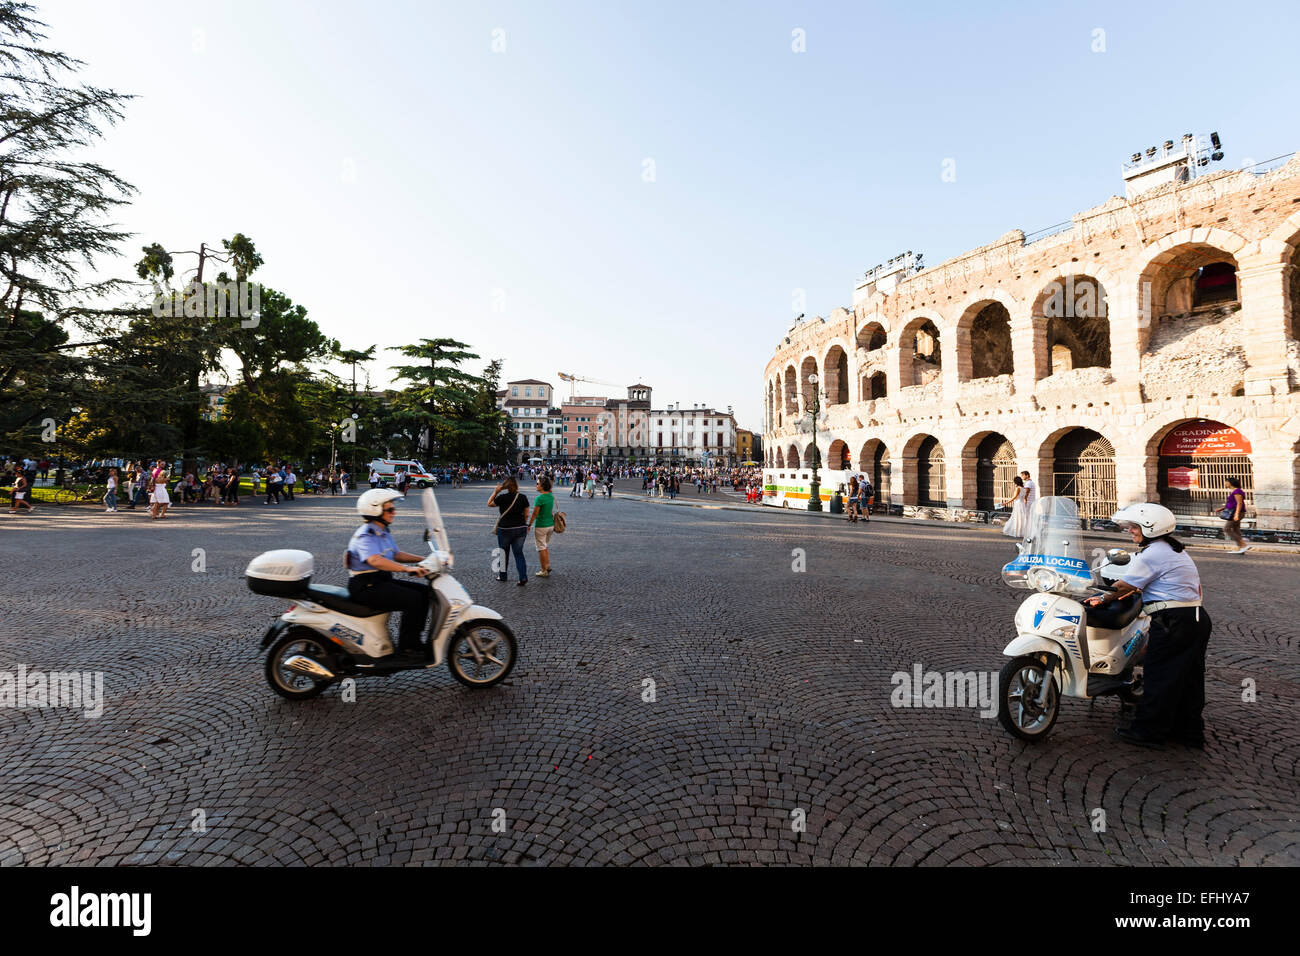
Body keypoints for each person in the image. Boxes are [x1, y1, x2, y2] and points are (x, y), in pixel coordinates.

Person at [1085, 503, 1212, 749]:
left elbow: (1124, 586)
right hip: (1193, 618)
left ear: (1150, 527)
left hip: (1173, 621)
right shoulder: (1169, 549)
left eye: (1135, 526)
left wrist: (1101, 597)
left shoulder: (1153, 553)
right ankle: (1188, 731)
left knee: (1160, 676)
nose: (1131, 530)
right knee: (1187, 678)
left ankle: (1148, 732)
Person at [346, 489, 433, 662]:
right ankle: (407, 648)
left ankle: (414, 641)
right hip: (366, 586)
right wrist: (406, 569)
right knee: (414, 599)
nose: (394, 513)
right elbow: (375, 560)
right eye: (390, 510)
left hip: (379, 581)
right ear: (375, 511)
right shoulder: (366, 535)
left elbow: (396, 554)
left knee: (425, 592)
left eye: (393, 509)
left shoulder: (382, 531)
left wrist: (425, 560)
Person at [489, 477, 529, 585]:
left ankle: (502, 576)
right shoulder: (523, 497)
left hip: (505, 529)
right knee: (519, 553)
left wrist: (496, 491)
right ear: (517, 486)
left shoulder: (502, 497)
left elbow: (490, 503)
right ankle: (522, 577)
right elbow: (526, 515)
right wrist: (523, 524)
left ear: (505, 487)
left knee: (503, 553)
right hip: (520, 528)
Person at [528, 474, 556, 577]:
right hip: (550, 525)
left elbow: (535, 514)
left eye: (537, 484)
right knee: (545, 546)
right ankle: (547, 565)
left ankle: (543, 570)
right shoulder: (550, 495)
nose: (536, 485)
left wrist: (529, 524)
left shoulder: (539, 499)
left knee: (541, 548)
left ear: (542, 486)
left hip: (541, 526)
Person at [1222, 477, 1250, 554]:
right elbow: (1232, 503)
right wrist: (1222, 508)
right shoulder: (1234, 491)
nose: (1225, 483)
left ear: (1230, 483)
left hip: (1236, 513)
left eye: (1226, 482)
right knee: (1236, 530)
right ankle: (1241, 549)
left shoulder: (1237, 491)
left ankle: (1243, 545)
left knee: (1227, 529)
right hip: (1235, 512)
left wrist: (1236, 515)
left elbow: (1239, 503)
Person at [1000, 476, 1028, 540]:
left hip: (1018, 504)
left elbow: (1014, 497)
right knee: (1022, 518)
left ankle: (1014, 531)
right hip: (1022, 504)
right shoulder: (1024, 489)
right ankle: (1022, 532)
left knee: (1016, 517)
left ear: (1016, 482)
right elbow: (1025, 498)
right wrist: (1025, 505)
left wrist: (1006, 503)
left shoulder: (1018, 488)